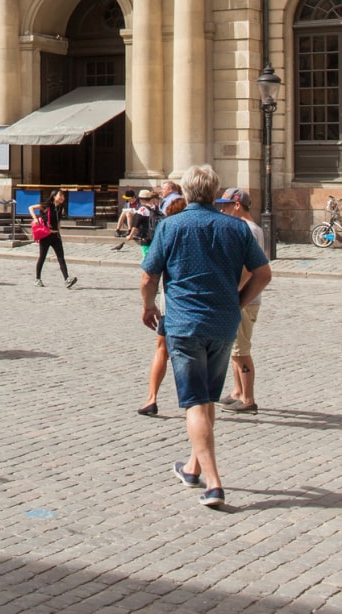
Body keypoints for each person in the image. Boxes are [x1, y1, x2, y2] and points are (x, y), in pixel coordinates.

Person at [141, 163, 271, 509]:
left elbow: (148, 276)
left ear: (185, 192)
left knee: (195, 402)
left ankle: (213, 484)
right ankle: (191, 467)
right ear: (215, 193)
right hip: (223, 323)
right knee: (208, 398)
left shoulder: (171, 226)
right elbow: (263, 273)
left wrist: (148, 306)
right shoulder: (236, 227)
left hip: (185, 324)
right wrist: (238, 302)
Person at [216, 187, 267, 415]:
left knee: (240, 349)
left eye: (225, 205)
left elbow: (249, 268)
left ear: (237, 205)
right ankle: (237, 391)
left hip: (245, 297)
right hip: (246, 297)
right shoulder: (250, 227)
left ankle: (248, 398)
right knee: (235, 348)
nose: (221, 210)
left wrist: (234, 291)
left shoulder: (246, 228)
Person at [137, 190, 186, 415]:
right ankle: (200, 402)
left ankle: (151, 398)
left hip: (171, 304)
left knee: (162, 349)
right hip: (202, 307)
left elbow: (149, 275)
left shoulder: (167, 231)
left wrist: (148, 305)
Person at [29, 189, 77, 289]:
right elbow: (31, 207)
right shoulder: (47, 205)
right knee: (42, 257)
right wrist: (35, 218)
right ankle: (37, 279)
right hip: (46, 236)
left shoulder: (61, 208)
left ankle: (67, 279)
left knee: (61, 257)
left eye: (63, 196)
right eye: (61, 195)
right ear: (54, 196)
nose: (63, 197)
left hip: (56, 236)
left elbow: (58, 221)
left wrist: (59, 230)